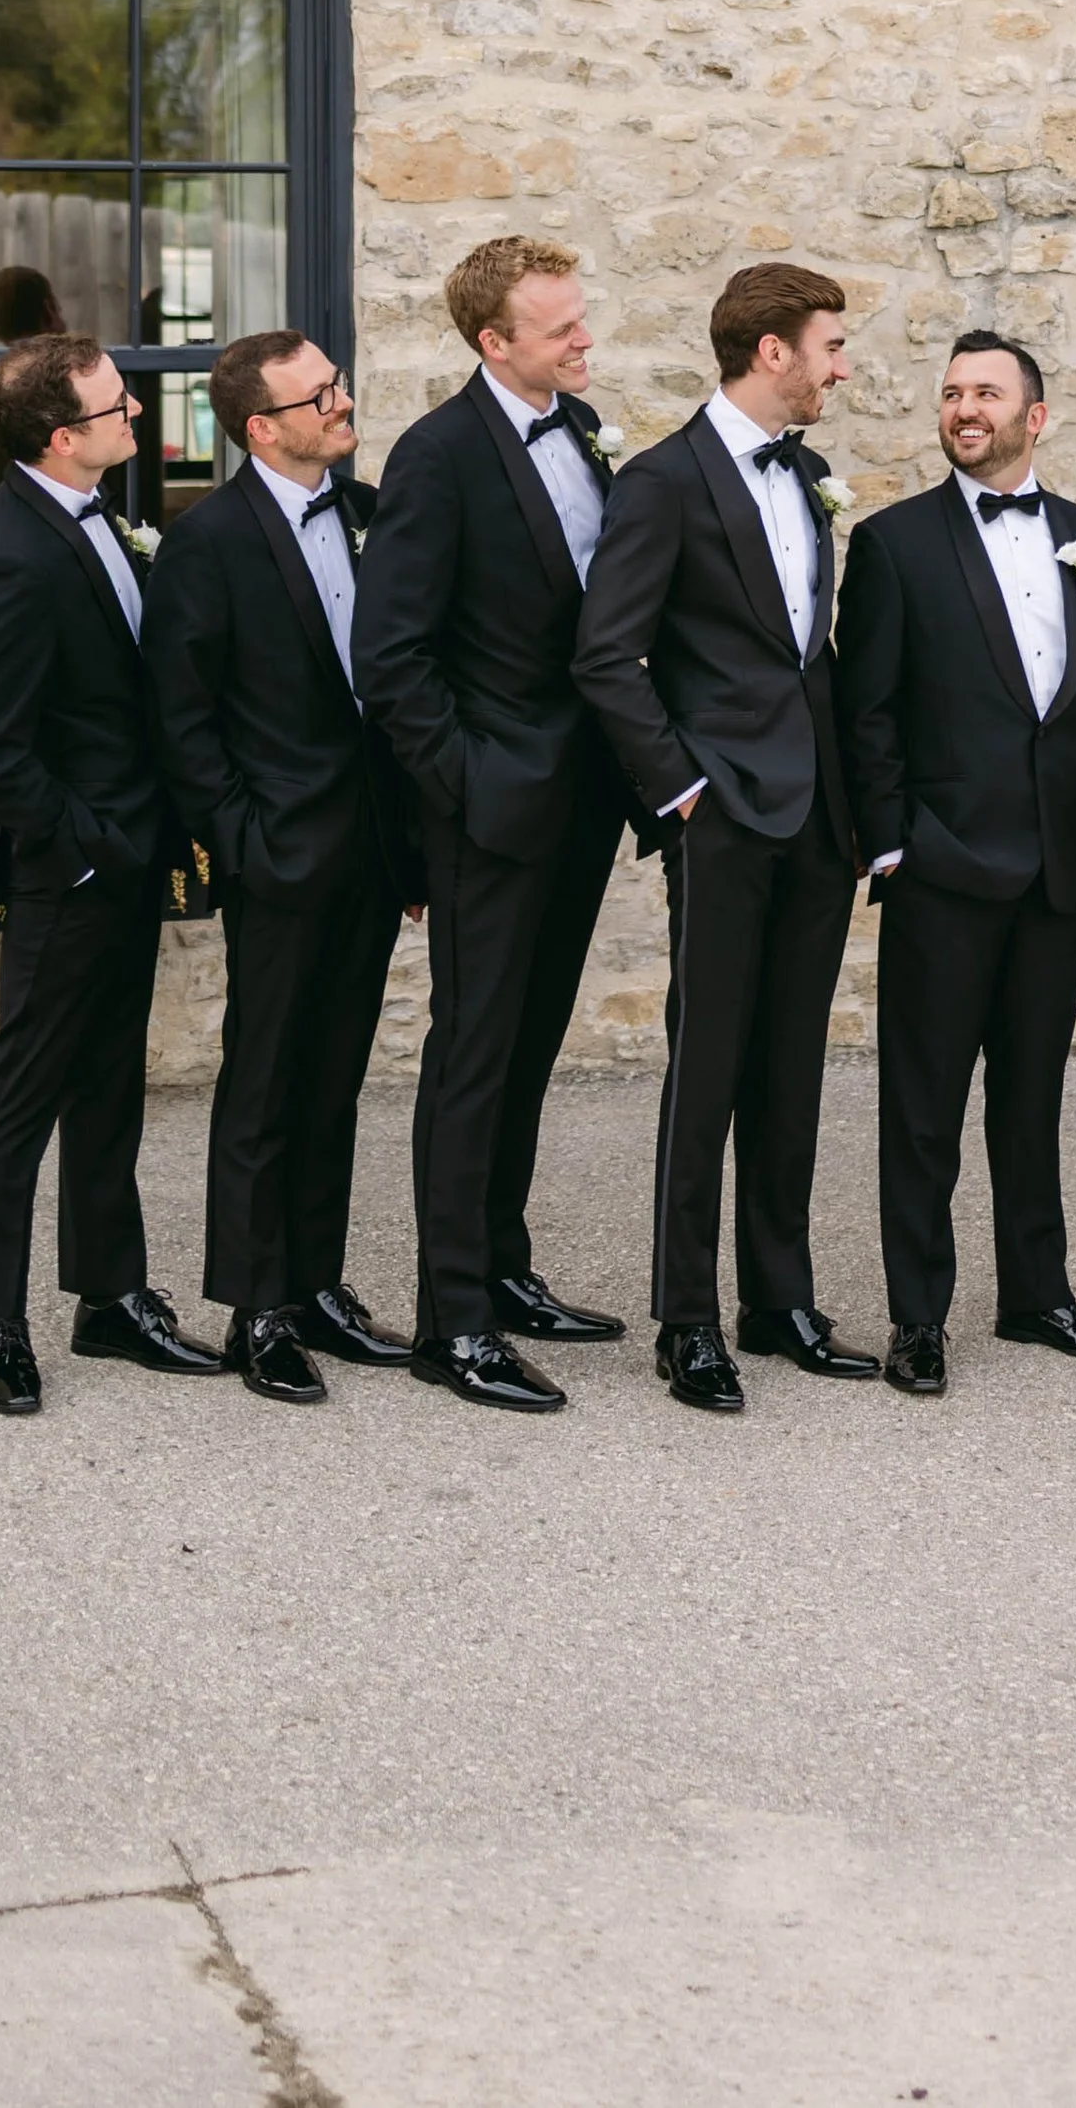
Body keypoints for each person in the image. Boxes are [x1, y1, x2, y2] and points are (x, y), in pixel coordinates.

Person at [573, 261, 873, 1417]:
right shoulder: (662, 482)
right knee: (706, 1069)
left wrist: (850, 815)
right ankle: (686, 1319)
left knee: (792, 1062)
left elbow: (811, 655)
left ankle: (777, 1300)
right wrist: (683, 793)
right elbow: (608, 655)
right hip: (724, 817)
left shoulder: (806, 476)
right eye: (831, 347)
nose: (841, 367)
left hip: (814, 823)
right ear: (772, 352)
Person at [835, 329, 1076, 1397]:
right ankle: (917, 1316)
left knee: (1033, 1097)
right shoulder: (891, 544)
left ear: (1035, 417)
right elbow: (864, 715)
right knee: (920, 1107)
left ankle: (1036, 1296)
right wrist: (895, 851)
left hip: (1061, 874)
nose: (966, 408)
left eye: (987, 393)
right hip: (942, 870)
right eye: (952, 392)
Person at [351, 239, 632, 1414]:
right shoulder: (437, 456)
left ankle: (504, 1269)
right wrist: (465, 785)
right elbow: (391, 656)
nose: (582, 341)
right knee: (471, 1056)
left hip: (582, 803)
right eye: (559, 328)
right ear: (493, 342)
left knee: (528, 1048)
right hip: (491, 810)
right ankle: (449, 1321)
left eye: (579, 320)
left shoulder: (582, 429)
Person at [0, 332, 225, 1414]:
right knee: (24, 1092)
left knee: (111, 1082)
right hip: (77, 873)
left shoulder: (88, 515)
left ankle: (109, 1297)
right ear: (63, 438)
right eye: (118, 411)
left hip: (129, 855)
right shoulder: (14, 552)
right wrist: (89, 848)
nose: (137, 421)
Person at [143, 332, 420, 1405]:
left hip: (371, 849)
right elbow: (183, 718)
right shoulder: (205, 542)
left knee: (336, 1078)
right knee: (263, 1082)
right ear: (262, 427)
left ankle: (315, 1284)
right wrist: (241, 838)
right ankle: (254, 1307)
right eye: (321, 396)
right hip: (278, 853)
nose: (341, 405)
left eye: (338, 386)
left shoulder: (366, 511)